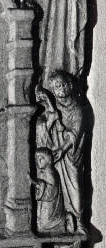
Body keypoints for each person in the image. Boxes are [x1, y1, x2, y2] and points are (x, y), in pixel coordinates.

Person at [35, 71, 88, 233]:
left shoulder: (77, 109)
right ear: (53, 89)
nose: (61, 89)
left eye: (64, 85)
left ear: (70, 86)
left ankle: (78, 221)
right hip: (54, 154)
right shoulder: (54, 107)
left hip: (70, 156)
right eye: (57, 86)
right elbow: (42, 125)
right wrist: (50, 119)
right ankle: (61, 220)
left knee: (75, 187)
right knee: (54, 186)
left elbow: (75, 134)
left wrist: (62, 149)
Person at [33, 148, 66, 233]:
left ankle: (57, 225)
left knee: (46, 223)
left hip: (50, 205)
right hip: (44, 204)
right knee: (42, 221)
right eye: (36, 159)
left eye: (41, 158)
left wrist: (34, 182)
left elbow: (51, 192)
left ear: (48, 159)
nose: (38, 161)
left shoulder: (50, 172)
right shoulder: (43, 172)